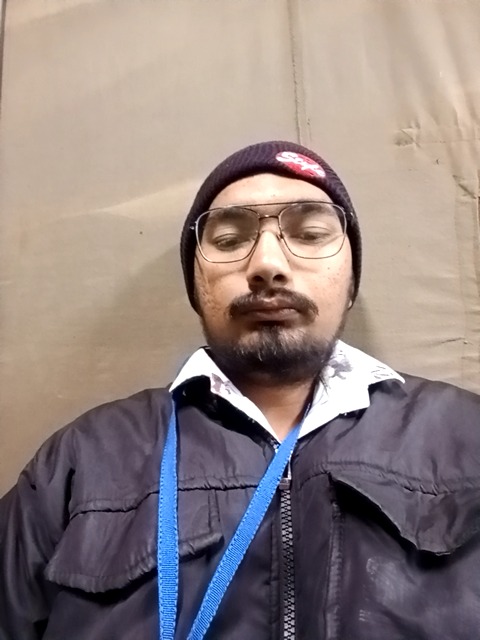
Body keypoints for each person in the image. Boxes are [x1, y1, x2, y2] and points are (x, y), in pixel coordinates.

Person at [1, 140, 480, 640]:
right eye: (230, 240)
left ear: (351, 278)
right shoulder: (81, 460)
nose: (267, 264)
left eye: (310, 234)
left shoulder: (466, 436)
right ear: (195, 284)